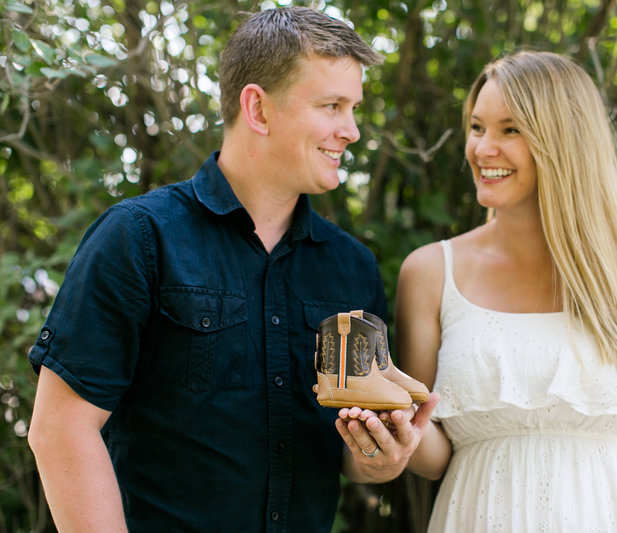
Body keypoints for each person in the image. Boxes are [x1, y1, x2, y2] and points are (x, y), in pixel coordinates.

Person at [26, 7, 435, 532]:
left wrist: (380, 459)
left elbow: (347, 453)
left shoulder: (351, 267)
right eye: (332, 106)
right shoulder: (138, 237)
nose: (351, 131)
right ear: (258, 110)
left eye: (353, 108)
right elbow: (61, 430)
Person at [351, 50, 617, 531]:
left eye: (511, 130)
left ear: (564, 140)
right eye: (478, 127)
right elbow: (434, 450)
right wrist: (396, 434)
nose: (483, 149)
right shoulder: (429, 272)